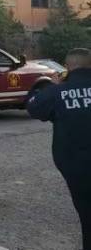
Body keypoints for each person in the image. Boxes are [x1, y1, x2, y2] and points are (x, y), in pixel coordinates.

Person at [27, 48, 91, 250]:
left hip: (75, 166)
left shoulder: (57, 92)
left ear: (68, 67)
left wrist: (52, 87)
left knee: (86, 213)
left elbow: (33, 107)